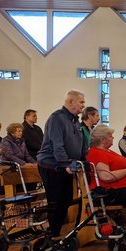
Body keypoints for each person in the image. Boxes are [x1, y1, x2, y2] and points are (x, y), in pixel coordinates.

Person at [37, 90, 87, 238]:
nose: (83, 105)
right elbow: (57, 144)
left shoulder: (75, 121)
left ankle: (56, 233)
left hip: (66, 166)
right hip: (52, 165)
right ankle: (52, 234)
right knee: (56, 200)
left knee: (65, 199)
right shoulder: (56, 118)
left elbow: (80, 145)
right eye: (81, 102)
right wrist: (65, 163)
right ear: (70, 102)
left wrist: (83, 162)